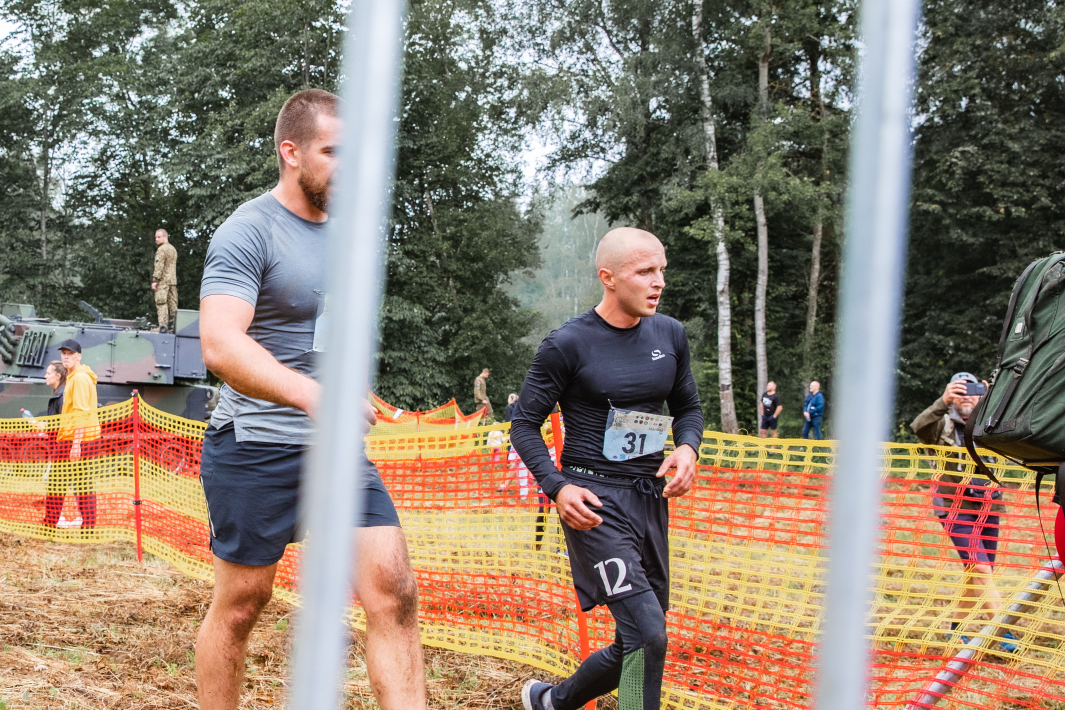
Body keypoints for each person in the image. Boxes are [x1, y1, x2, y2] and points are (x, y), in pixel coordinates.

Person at [196, 89, 425, 710]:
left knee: (394, 594)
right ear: (291, 152)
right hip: (254, 446)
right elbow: (219, 343)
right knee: (242, 606)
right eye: (333, 152)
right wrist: (310, 394)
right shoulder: (248, 231)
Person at [510, 227, 703, 710]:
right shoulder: (568, 343)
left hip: (649, 498)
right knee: (648, 633)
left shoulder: (670, 334)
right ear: (608, 277)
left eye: (661, 270)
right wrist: (557, 488)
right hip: (594, 503)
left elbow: (688, 408)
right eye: (645, 271)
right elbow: (523, 425)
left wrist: (688, 448)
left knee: (638, 636)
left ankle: (551, 702)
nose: (658, 282)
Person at [910, 371, 1017, 652]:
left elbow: (1019, 427)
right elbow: (919, 426)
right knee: (981, 568)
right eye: (959, 391)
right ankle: (1004, 635)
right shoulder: (941, 425)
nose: (966, 396)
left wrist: (995, 396)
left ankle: (955, 631)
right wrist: (942, 401)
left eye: (972, 390)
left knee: (978, 570)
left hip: (989, 503)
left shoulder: (992, 422)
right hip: (953, 506)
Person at [46, 341, 100, 530]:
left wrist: (76, 444)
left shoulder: (79, 379)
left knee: (57, 482)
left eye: (70, 353)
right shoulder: (76, 376)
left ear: (79, 356)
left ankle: (51, 522)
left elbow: (80, 412)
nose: (66, 356)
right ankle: (88, 525)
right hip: (81, 437)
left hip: (76, 439)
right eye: (64, 353)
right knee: (83, 483)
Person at [152, 228, 179, 332]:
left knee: (161, 303)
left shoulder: (162, 249)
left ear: (165, 237)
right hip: (172, 281)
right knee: (173, 305)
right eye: (156, 237)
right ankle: (175, 326)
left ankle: (163, 326)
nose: (156, 239)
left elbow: (159, 266)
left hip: (163, 281)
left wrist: (155, 280)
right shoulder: (173, 249)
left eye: (159, 237)